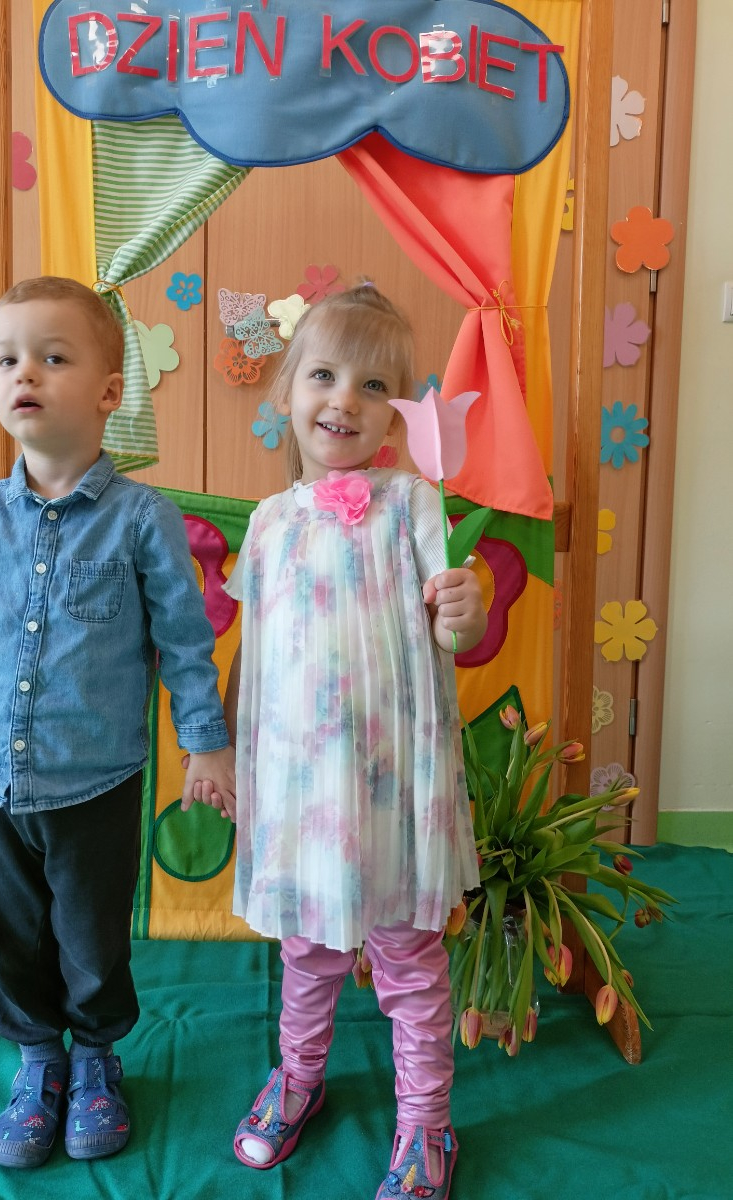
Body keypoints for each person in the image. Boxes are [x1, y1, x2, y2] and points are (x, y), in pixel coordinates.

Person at [0, 276, 235, 1170]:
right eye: (7, 360)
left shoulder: (143, 520)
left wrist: (205, 743)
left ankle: (96, 1058)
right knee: (7, 932)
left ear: (108, 392)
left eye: (52, 357)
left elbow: (185, 640)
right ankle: (37, 1062)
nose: (24, 374)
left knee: (92, 938)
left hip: (96, 779)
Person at [189, 283, 486, 1199]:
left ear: (397, 414)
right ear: (287, 391)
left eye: (373, 385)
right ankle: (300, 1078)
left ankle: (426, 1122)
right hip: (302, 792)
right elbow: (254, 653)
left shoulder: (414, 504)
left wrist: (463, 611)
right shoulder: (269, 524)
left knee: (409, 960)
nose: (345, 399)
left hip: (395, 790)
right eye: (324, 375)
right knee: (307, 952)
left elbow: (453, 631)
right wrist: (223, 749)